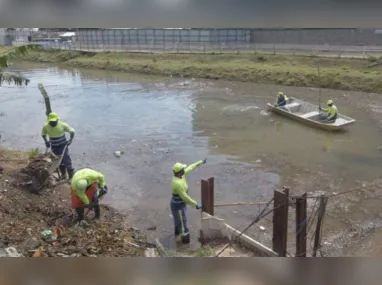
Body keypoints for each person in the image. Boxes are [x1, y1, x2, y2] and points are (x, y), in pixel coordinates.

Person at [171, 159, 207, 244]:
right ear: (179, 172)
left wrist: (200, 162)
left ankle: (176, 240)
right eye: (183, 169)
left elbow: (190, 168)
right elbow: (185, 198)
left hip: (179, 204)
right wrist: (195, 204)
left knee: (178, 222)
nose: (184, 169)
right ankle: (185, 245)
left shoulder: (180, 176)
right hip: (178, 207)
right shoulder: (177, 183)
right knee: (183, 225)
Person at [41, 112, 75, 179]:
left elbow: (72, 131)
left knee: (66, 159)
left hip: (63, 146)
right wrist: (46, 142)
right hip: (54, 147)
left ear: (57, 120)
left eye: (54, 121)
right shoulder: (46, 127)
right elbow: (43, 134)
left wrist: (70, 140)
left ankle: (71, 176)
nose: (52, 123)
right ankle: (63, 174)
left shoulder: (62, 125)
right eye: (51, 122)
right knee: (58, 161)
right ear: (49, 121)